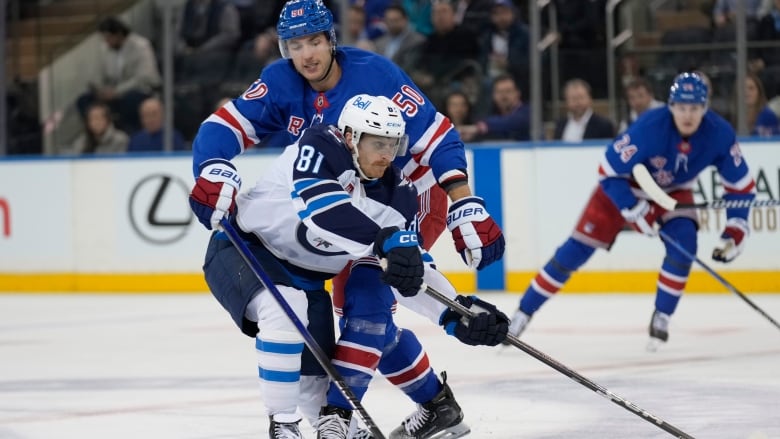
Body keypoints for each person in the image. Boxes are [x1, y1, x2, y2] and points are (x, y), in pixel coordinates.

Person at [190, 94, 509, 438]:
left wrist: (455, 312)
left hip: (307, 282)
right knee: (285, 311)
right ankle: (282, 425)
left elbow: (407, 268)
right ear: (350, 137)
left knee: (317, 383)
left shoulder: (398, 193)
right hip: (244, 250)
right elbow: (322, 213)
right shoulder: (318, 147)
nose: (386, 154)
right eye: (377, 143)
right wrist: (383, 239)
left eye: (393, 143)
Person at [190, 0, 504, 278]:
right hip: (354, 198)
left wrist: (464, 203)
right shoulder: (280, 81)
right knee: (350, 302)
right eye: (295, 45)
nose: (307, 55)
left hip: (409, 192)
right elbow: (221, 127)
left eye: (314, 42)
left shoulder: (377, 75)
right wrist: (213, 168)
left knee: (372, 294)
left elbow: (440, 137)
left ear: (331, 41)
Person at [506, 72, 756, 350]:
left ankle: (662, 316)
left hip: (671, 193)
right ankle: (523, 312)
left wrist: (737, 228)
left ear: (705, 108)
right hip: (621, 189)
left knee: (685, 243)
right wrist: (633, 209)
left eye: (695, 108)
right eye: (682, 108)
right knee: (574, 252)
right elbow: (608, 171)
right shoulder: (650, 126)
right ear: (671, 106)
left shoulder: (719, 134)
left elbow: (741, 188)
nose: (688, 115)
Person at [76, 16, 161, 134]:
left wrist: (117, 92)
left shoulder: (141, 46)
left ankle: (130, 135)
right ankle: (95, 137)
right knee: (84, 100)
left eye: (108, 38)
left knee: (129, 101)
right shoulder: (106, 49)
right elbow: (100, 75)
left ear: (118, 34)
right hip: (113, 93)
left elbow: (144, 77)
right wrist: (100, 90)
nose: (106, 41)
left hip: (138, 91)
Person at [457, 74, 530, 142]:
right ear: (493, 95)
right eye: (499, 92)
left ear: (517, 93)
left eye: (508, 91)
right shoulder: (490, 112)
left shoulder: (527, 111)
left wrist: (478, 128)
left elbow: (511, 122)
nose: (504, 96)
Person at [372, 3, 426, 73]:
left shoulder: (417, 41)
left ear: (405, 20)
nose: (392, 24)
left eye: (396, 20)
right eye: (389, 20)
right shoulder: (379, 42)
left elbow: (407, 68)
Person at [743, 72, 780, 136]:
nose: (746, 92)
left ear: (759, 93)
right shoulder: (731, 117)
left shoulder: (768, 116)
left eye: (751, 88)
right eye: (742, 88)